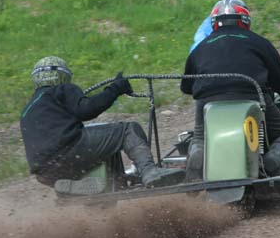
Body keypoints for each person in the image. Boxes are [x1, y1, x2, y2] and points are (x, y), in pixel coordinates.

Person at [20, 56, 184, 194]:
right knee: (127, 130)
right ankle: (150, 172)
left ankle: (87, 187)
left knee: (107, 142)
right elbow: (86, 110)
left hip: (45, 172)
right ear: (62, 76)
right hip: (69, 152)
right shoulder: (60, 90)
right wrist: (115, 88)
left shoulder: (28, 108)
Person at [180, 0, 280, 181]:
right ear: (245, 20)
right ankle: (273, 157)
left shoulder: (200, 48)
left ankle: (197, 157)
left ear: (214, 22)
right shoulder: (259, 42)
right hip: (250, 95)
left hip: (208, 101)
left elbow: (186, 87)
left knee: (200, 137)